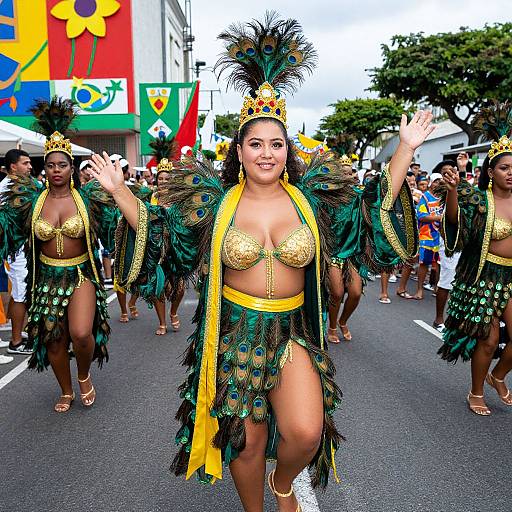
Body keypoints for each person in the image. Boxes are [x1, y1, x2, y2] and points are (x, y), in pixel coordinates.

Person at [90, 14, 430, 511]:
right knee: (245, 443)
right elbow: (166, 236)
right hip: (236, 333)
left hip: (292, 327)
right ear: (240, 150)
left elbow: (363, 215)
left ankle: (284, 484)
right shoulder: (214, 203)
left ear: (287, 150)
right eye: (256, 143)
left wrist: (404, 150)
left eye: (276, 144)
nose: (267, 153)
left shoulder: (312, 200)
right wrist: (121, 193)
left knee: (305, 431)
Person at [0, 97, 116, 412]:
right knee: (53, 340)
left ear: (71, 167)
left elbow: (116, 221)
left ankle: (83, 374)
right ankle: (65, 390)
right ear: (45, 168)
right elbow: (5, 227)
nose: (55, 170)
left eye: (61, 164)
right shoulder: (31, 201)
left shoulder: (88, 199)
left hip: (80, 274)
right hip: (48, 276)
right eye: (50, 165)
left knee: (80, 333)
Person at [439, 101, 512, 416]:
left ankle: (498, 375)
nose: (511, 173)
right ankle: (477, 391)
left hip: (511, 278)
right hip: (484, 276)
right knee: (488, 338)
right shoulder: (479, 200)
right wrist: (453, 192)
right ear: (491, 171)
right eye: (505, 168)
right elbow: (457, 229)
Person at [1, 149, 33, 356]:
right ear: (13, 166)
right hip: (15, 250)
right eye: (26, 163)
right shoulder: (5, 188)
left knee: (21, 292)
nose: (30, 166)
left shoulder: (23, 185)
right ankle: (15, 341)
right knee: (20, 292)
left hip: (24, 249)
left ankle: (21, 334)